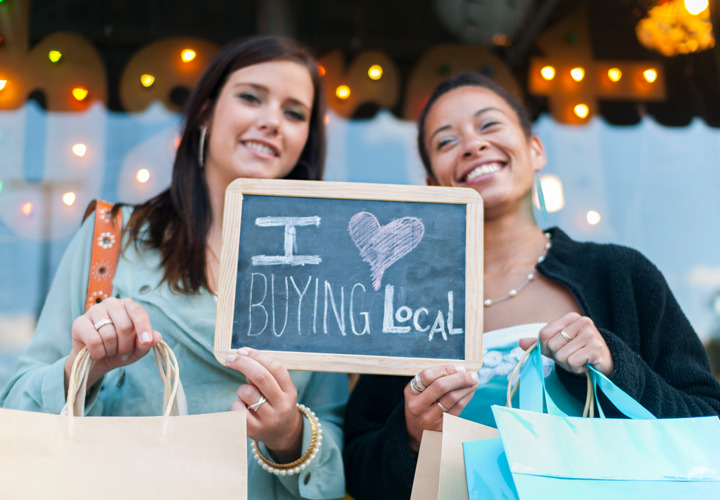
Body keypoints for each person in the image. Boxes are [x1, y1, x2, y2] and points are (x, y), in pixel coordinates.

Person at [343, 72, 720, 499]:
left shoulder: (620, 274)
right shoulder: (405, 302)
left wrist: (617, 368)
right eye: (446, 142)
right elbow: (356, 467)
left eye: (489, 126)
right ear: (434, 186)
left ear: (535, 149)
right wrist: (409, 435)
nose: (472, 144)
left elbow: (709, 424)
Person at [1, 35, 348, 500]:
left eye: (294, 113)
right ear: (204, 112)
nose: (271, 122)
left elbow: (335, 433)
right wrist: (86, 368)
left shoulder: (320, 270)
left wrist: (289, 438)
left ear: (306, 140)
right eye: (250, 97)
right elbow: (17, 409)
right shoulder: (113, 236)